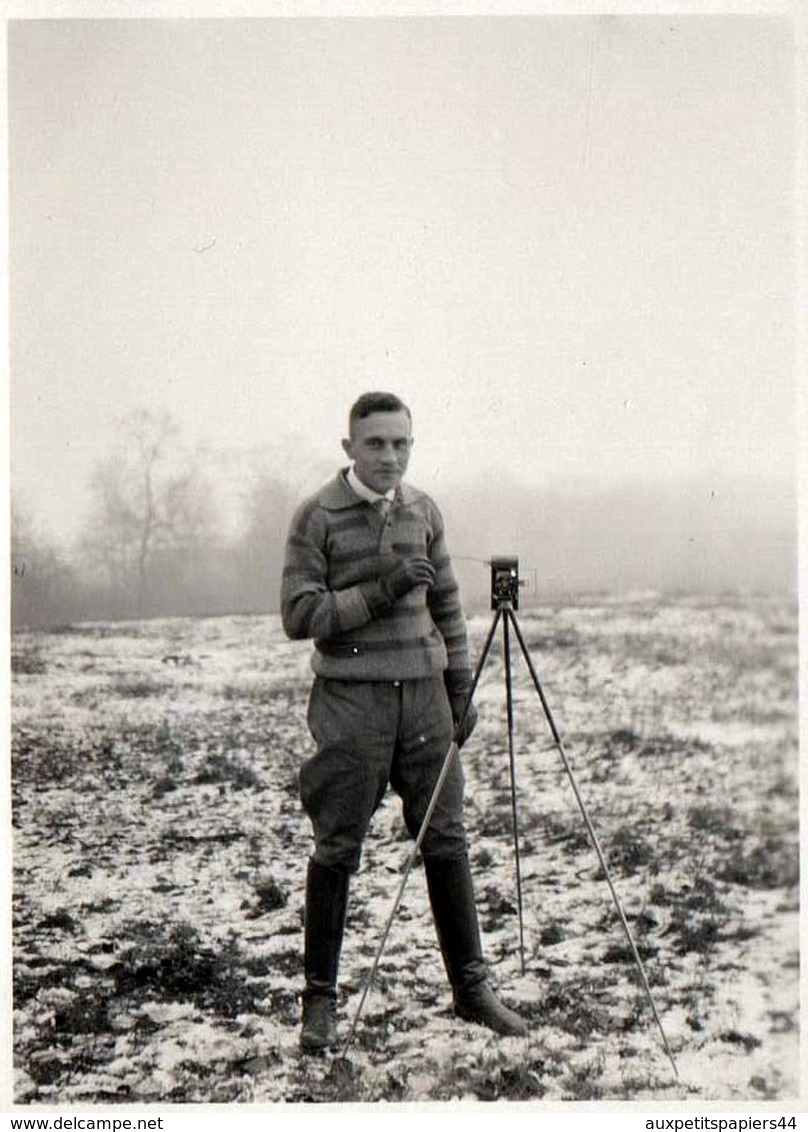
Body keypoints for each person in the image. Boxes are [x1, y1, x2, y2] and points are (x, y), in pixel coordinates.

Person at [281, 391, 527, 1051]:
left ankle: (472, 992)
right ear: (349, 449)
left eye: (401, 444)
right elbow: (298, 615)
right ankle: (320, 1006)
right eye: (376, 444)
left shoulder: (424, 510)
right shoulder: (318, 517)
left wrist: (459, 690)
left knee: (446, 840)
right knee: (337, 847)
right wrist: (380, 590)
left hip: (424, 703)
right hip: (352, 704)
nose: (389, 456)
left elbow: (446, 603)